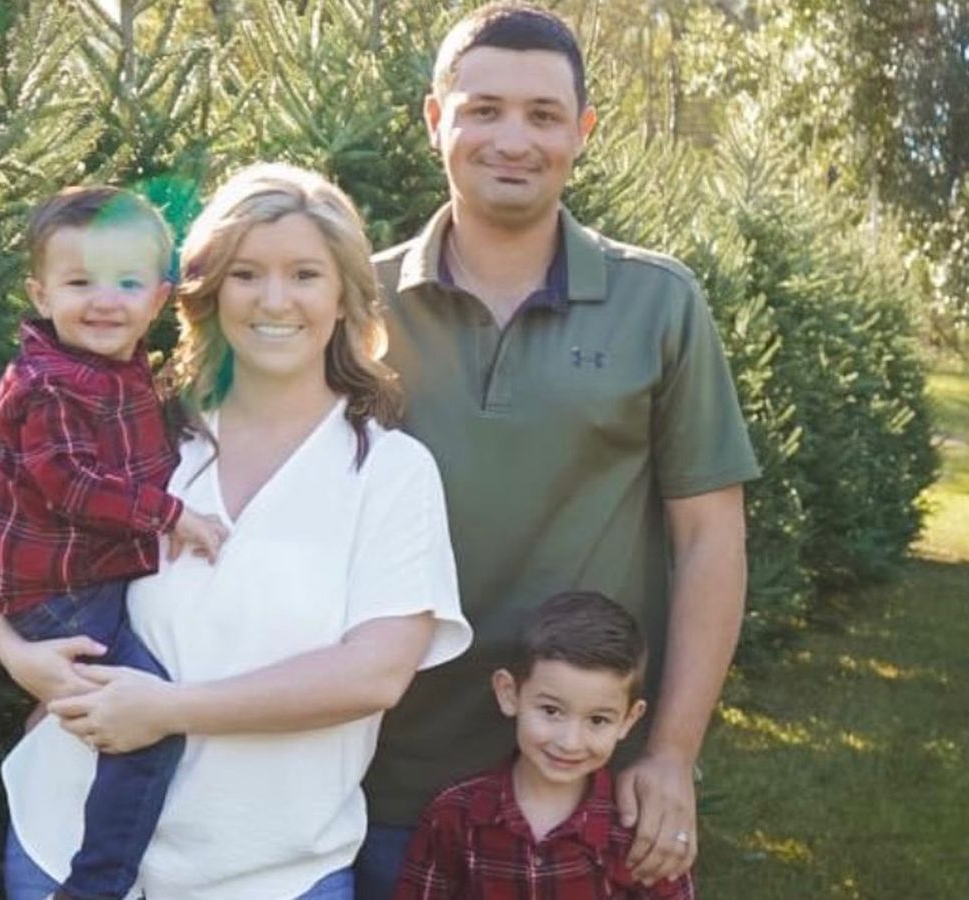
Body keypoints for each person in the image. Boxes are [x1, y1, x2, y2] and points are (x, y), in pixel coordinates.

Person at [0, 163, 472, 900]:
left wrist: (167, 711)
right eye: (246, 274)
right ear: (208, 291)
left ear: (343, 295)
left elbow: (374, 674)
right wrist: (23, 660)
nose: (274, 299)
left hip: (269, 872)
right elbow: (4, 562)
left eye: (304, 274)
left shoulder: (389, 472)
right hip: (63, 845)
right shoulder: (141, 426)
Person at [358, 3, 760, 895]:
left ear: (582, 132)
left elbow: (710, 539)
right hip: (387, 778)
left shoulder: (660, 303)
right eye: (483, 110)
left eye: (543, 115)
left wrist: (672, 753)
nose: (513, 140)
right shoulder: (354, 303)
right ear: (435, 120)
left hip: (590, 791)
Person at [0, 185, 228, 900]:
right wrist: (169, 513)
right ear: (41, 294)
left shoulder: (124, 373)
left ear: (159, 299)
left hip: (86, 583)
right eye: (79, 282)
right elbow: (69, 484)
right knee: (148, 725)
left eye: (126, 283)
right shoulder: (49, 385)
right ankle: (95, 885)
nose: (104, 301)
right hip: (62, 593)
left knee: (100, 702)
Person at [393, 592, 695, 899]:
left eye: (598, 720)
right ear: (509, 693)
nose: (570, 742)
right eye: (551, 711)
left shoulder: (639, 830)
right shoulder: (454, 816)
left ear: (629, 719)